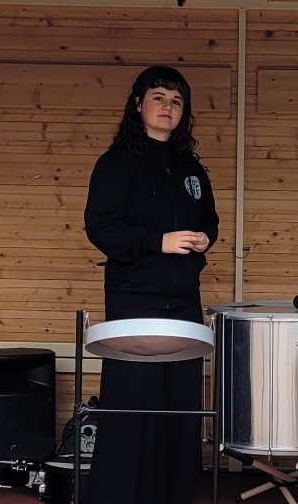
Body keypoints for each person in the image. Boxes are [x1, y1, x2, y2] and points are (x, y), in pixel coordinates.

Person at [82, 65, 219, 504]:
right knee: (133, 400)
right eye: (158, 97)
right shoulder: (116, 163)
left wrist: (205, 238)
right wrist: (158, 242)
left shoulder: (191, 168)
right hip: (134, 298)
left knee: (179, 402)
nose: (168, 107)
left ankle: (175, 492)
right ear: (138, 104)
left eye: (177, 101)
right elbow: (100, 227)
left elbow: (210, 220)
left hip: (183, 300)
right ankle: (124, 493)